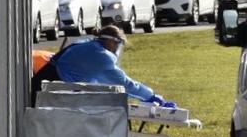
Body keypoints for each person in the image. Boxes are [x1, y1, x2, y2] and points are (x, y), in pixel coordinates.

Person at [42, 25, 177, 106]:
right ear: (112, 42)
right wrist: (150, 95)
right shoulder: (101, 55)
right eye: (118, 45)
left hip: (50, 85)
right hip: (51, 90)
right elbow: (125, 84)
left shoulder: (88, 45)